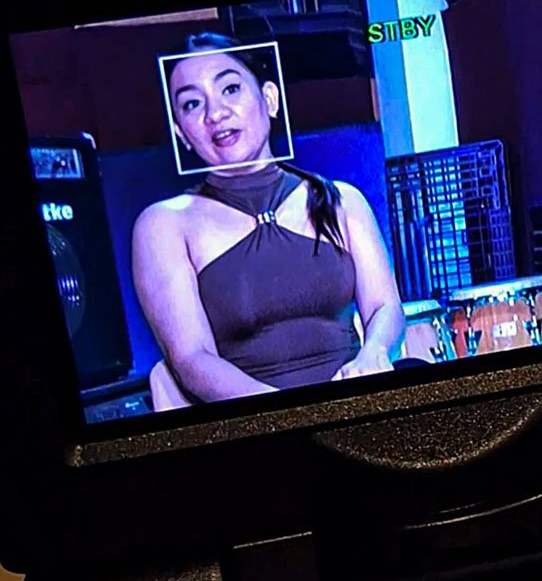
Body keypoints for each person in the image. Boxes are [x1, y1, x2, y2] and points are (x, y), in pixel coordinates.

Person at [132, 31, 405, 402]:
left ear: (269, 98)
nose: (215, 114)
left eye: (230, 89)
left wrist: (373, 354)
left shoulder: (341, 200)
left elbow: (385, 308)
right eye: (192, 104)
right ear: (180, 132)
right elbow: (192, 359)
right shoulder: (163, 225)